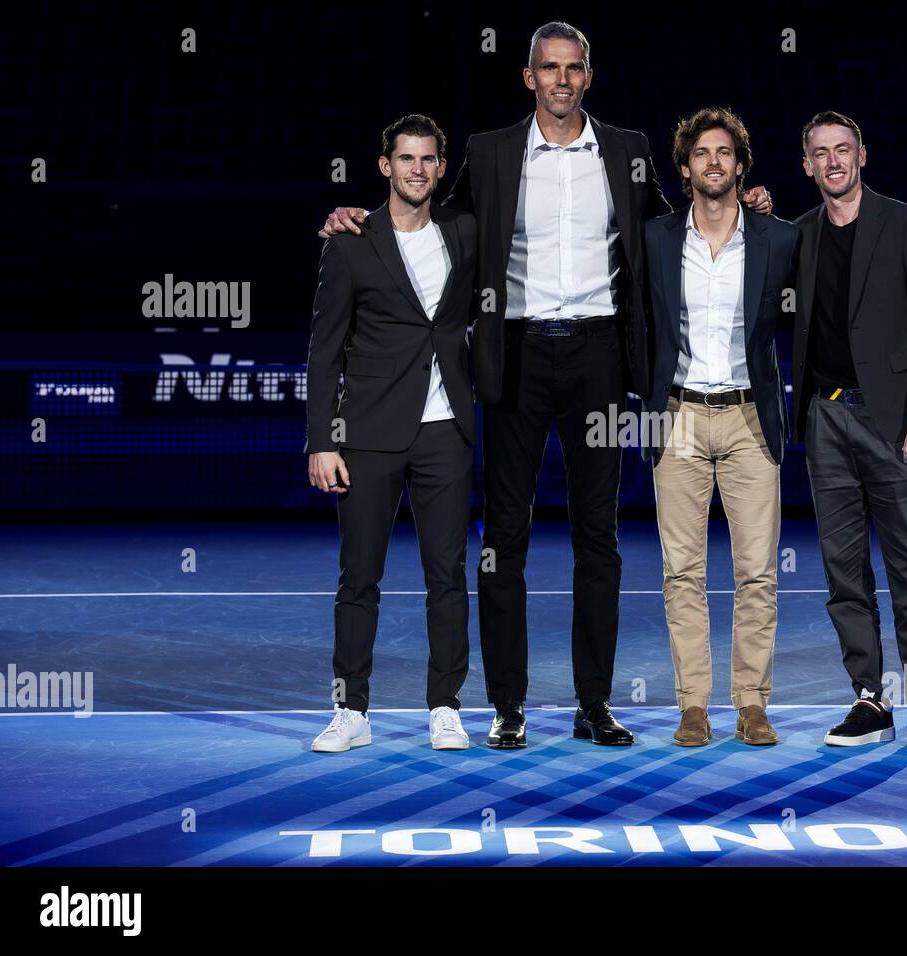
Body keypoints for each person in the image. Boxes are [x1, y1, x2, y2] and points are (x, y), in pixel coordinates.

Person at [318, 22, 773, 748]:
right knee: (505, 539)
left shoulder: (626, 151)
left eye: (573, 68)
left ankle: (595, 705)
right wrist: (361, 221)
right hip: (516, 357)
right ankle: (507, 707)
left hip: (599, 357)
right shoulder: (490, 153)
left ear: (588, 77)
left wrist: (735, 209)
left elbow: (667, 226)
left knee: (600, 539)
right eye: (547, 68)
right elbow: (435, 217)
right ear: (528, 78)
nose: (561, 80)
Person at [790, 111, 907, 752]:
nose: (833, 161)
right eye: (820, 153)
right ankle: (869, 699)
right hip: (826, 419)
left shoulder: (905, 221)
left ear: (862, 154)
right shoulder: (801, 234)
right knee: (844, 572)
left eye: (843, 149)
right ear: (806, 164)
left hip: (896, 422)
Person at [306, 114, 478, 752]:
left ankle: (445, 705)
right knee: (359, 578)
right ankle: (351, 710)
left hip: (445, 432)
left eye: (429, 159)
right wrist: (321, 440)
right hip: (370, 435)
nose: (417, 169)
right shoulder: (351, 241)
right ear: (385, 166)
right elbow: (324, 352)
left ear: (440, 167)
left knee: (448, 576)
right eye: (405, 158)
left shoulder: (464, 231)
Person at [641, 108, 799, 747]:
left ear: (740, 165)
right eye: (701, 153)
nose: (713, 161)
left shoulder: (777, 239)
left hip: (749, 418)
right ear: (685, 169)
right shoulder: (655, 238)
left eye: (725, 152)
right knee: (683, 572)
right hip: (677, 416)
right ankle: (693, 707)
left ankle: (753, 705)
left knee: (756, 570)